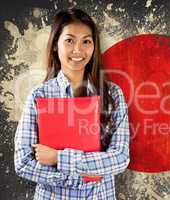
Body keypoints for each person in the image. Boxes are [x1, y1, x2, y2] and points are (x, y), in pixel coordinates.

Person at [14, 8, 130, 200]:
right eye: (69, 40)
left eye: (86, 41)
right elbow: (23, 163)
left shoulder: (113, 95)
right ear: (54, 45)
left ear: (94, 47)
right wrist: (79, 177)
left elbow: (120, 158)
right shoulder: (40, 95)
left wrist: (59, 158)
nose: (78, 50)